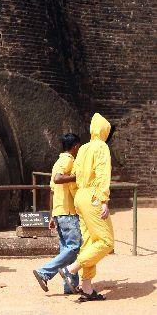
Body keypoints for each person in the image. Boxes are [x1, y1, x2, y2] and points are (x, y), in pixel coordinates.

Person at [58, 113, 115, 302]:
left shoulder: (82, 149)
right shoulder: (101, 147)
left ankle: (87, 287)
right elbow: (102, 174)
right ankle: (70, 269)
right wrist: (103, 199)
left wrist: (79, 199)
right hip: (93, 196)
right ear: (104, 130)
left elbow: (74, 174)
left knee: (89, 243)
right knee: (106, 242)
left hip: (81, 196)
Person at [32, 133, 81, 294]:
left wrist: (52, 214)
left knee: (66, 249)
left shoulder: (58, 162)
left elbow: (52, 191)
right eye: (78, 147)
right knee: (74, 247)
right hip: (67, 212)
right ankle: (44, 272)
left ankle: (70, 285)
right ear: (75, 147)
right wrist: (77, 177)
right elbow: (58, 179)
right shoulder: (68, 160)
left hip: (60, 212)